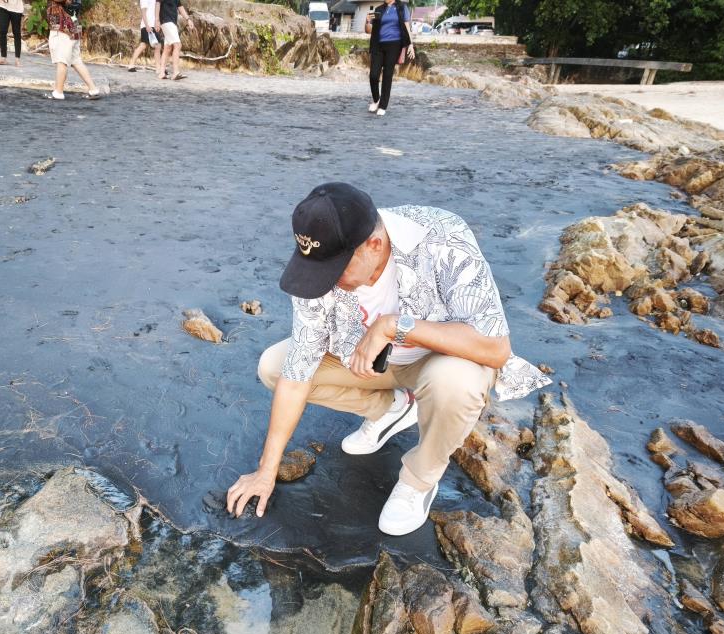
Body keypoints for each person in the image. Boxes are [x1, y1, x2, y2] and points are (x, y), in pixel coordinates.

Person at [226, 182, 550, 536]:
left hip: (440, 361)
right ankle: (390, 409)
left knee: (456, 384)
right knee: (274, 365)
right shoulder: (318, 263)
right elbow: (298, 369)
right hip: (367, 364)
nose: (324, 282)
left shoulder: (441, 236)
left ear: (374, 245)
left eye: (334, 271)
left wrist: (395, 326)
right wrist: (266, 470)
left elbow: (495, 348)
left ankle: (418, 482)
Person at [364, 0, 414, 117]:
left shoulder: (402, 7)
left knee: (387, 74)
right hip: (378, 45)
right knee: (373, 75)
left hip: (394, 44)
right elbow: (368, 31)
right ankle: (376, 100)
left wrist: (410, 44)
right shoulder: (379, 9)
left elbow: (407, 26)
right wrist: (367, 21)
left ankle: (383, 105)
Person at [46, 0, 101, 101]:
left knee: (61, 61)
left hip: (62, 28)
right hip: (74, 26)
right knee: (76, 61)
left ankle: (58, 92)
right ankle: (93, 89)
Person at [156, 0, 191, 80]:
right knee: (177, 45)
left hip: (172, 22)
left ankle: (161, 73)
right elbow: (157, 4)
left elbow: (180, 6)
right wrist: (156, 20)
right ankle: (175, 72)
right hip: (166, 21)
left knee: (167, 48)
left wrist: (188, 19)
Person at [127, 0, 162, 72]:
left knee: (152, 45)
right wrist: (147, 25)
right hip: (147, 25)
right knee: (146, 45)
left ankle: (158, 68)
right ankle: (131, 64)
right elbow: (143, 12)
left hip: (153, 25)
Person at [0, 0, 25, 67]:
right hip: (3, 6)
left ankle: (17, 59)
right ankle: (3, 58)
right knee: (2, 31)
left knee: (16, 33)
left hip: (16, 8)